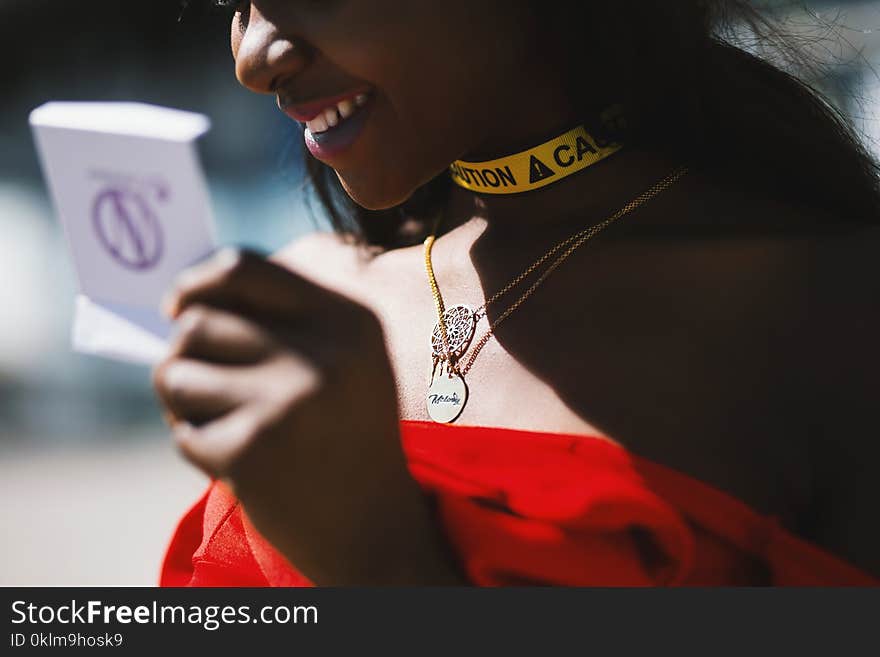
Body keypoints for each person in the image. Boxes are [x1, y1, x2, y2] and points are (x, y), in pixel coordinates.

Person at [155, 0, 880, 586]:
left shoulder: (827, 311)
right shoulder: (301, 303)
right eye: (239, 2)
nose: (252, 59)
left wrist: (376, 562)